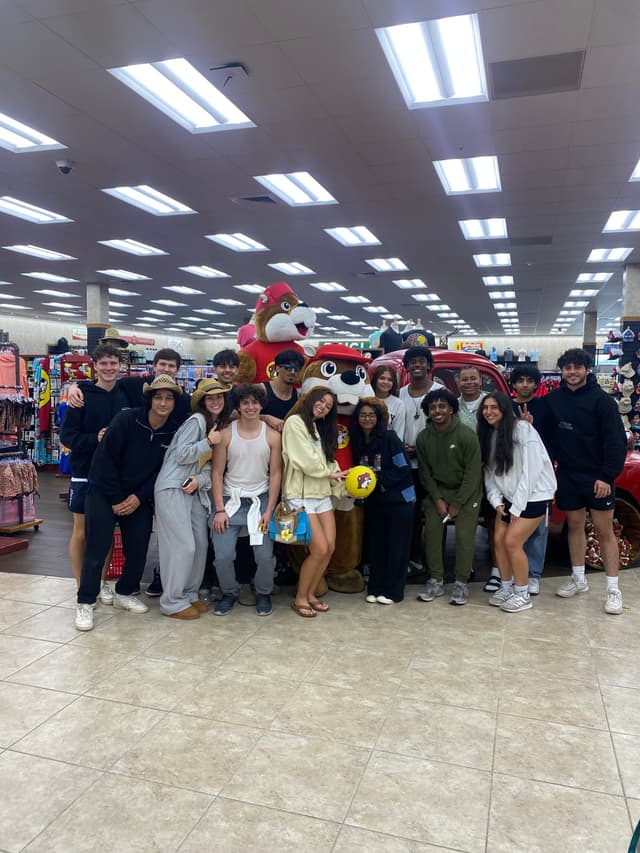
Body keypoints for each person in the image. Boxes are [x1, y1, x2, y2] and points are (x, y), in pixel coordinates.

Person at [74, 375, 183, 631]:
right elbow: (103, 461)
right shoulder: (126, 420)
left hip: (138, 497)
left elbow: (163, 470)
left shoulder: (174, 429)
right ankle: (85, 602)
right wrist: (116, 499)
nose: (164, 403)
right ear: (150, 399)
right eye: (159, 397)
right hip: (103, 491)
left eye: (169, 398)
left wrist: (139, 497)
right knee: (96, 550)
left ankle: (124, 593)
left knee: (138, 549)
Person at [539, 348, 627, 614]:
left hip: (597, 476)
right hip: (567, 474)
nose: (572, 372)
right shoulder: (553, 400)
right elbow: (547, 438)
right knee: (574, 525)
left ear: (586, 369)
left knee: (604, 530)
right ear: (562, 371)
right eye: (567, 368)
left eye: (577, 367)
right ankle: (578, 579)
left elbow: (616, 442)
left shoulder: (603, 401)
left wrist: (606, 476)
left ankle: (613, 589)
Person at [154, 379, 232, 619]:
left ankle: (190, 595)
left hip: (194, 490)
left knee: (199, 544)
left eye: (219, 397)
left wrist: (202, 480)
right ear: (202, 402)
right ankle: (172, 601)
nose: (216, 401)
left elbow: (209, 467)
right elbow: (180, 455)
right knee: (182, 546)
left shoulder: (217, 425)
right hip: (172, 487)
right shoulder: (197, 421)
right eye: (210, 398)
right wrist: (207, 442)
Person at [59, 344, 130, 595]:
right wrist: (95, 439)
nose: (109, 368)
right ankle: (81, 584)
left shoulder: (128, 392)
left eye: (113, 363)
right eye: (104, 364)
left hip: (115, 475)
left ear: (120, 365)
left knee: (106, 530)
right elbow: (67, 436)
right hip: (84, 472)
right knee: (80, 531)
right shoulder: (81, 395)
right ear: (95, 366)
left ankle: (101, 582)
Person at [478, 392, 557, 612]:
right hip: (509, 497)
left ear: (504, 409)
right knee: (499, 539)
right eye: (485, 408)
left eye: (494, 407)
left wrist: (518, 506)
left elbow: (531, 471)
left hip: (534, 496)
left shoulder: (523, 430)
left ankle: (522, 594)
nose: (489, 412)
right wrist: (496, 502)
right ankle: (505, 587)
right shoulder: (489, 435)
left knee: (512, 541)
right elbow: (490, 475)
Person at [211, 385, 282, 617]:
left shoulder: (272, 435)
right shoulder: (226, 433)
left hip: (259, 500)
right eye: (245, 403)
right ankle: (229, 592)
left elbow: (276, 474)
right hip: (229, 499)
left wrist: (269, 509)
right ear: (239, 406)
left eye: (255, 402)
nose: (250, 407)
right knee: (222, 555)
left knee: (264, 556)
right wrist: (219, 509)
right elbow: (217, 472)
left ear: (261, 405)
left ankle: (263, 592)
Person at [281, 386, 348, 617]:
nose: (323, 407)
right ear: (310, 400)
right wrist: (329, 474)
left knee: (329, 548)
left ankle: (310, 594)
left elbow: (330, 464)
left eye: (328, 406)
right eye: (321, 401)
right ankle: (300, 597)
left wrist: (345, 484)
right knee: (319, 549)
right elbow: (304, 459)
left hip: (321, 495)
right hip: (300, 495)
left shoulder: (319, 430)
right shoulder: (295, 423)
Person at [416, 388, 482, 606]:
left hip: (467, 491)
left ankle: (461, 582)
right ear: (428, 411)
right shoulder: (424, 437)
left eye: (442, 406)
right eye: (433, 407)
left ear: (452, 409)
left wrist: (457, 503)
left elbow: (473, 473)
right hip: (439, 493)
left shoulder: (466, 435)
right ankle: (436, 580)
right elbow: (424, 472)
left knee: (464, 537)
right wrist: (437, 499)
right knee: (432, 534)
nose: (437, 410)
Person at [350, 398, 415, 604]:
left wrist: (377, 479)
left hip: (398, 501)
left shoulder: (390, 438)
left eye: (371, 415)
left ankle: (394, 591)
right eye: (363, 415)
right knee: (376, 545)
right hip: (374, 501)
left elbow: (403, 469)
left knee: (397, 547)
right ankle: (376, 587)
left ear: (378, 418)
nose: (367, 419)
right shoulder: (358, 441)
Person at [399, 347, 444, 569]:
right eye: (412, 362)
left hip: (432, 466)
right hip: (406, 468)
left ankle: (437, 562)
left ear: (429, 365)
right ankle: (412, 557)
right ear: (407, 367)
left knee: (436, 514)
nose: (417, 366)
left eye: (421, 362)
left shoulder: (440, 391)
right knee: (411, 514)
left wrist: (421, 449)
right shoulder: (400, 393)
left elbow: (446, 427)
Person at [510, 364, 548, 595]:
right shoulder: (504, 406)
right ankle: (516, 570)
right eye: (520, 380)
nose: (524, 385)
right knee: (514, 525)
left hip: (538, 476)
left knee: (538, 530)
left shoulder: (546, 406)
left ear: (536, 384)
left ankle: (533, 574)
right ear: (513, 384)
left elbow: (551, 439)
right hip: (512, 474)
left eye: (529, 381)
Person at [258, 348, 304, 430]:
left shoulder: (298, 396)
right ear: (277, 368)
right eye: (288, 368)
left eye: (296, 369)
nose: (293, 372)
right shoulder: (261, 389)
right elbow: (237, 415)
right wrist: (265, 418)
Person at [370, 364, 406, 439]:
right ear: (375, 380)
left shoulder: (399, 404)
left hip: (388, 447)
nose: (385, 382)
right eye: (382, 378)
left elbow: (398, 434)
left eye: (390, 380)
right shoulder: (366, 399)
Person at [456, 364, 488, 431]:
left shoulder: (491, 401)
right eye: (465, 380)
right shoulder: (454, 405)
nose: (469, 382)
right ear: (458, 382)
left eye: (473, 379)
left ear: (480, 381)